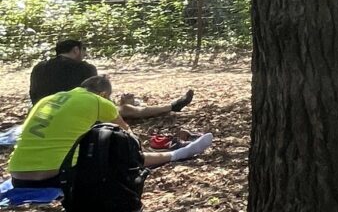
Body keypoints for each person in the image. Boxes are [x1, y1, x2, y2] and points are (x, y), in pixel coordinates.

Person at [6, 76, 212, 189]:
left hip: (17, 176)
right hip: (55, 177)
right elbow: (129, 138)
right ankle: (176, 154)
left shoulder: (48, 99)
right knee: (120, 150)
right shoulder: (98, 101)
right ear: (104, 94)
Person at [29, 39, 193, 119]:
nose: (84, 54)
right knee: (127, 110)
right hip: (73, 113)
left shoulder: (39, 67)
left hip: (42, 113)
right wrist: (110, 91)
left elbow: (34, 95)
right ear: (75, 50)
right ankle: (171, 106)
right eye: (83, 50)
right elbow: (98, 101)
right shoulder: (85, 68)